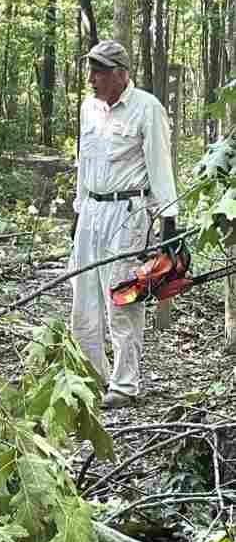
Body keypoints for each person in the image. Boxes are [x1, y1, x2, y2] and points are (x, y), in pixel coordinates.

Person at [69, 40, 179, 411]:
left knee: (122, 299)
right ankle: (90, 377)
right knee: (83, 297)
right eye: (91, 71)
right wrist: (78, 211)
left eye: (99, 72)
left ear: (120, 73)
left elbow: (161, 168)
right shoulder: (88, 109)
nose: (92, 79)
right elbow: (84, 162)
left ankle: (125, 383)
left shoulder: (146, 109)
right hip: (92, 212)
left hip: (128, 214)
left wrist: (168, 224)